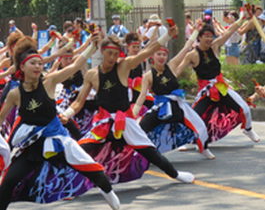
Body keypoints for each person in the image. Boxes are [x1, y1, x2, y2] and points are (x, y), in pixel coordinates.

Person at [61, 26, 195, 187]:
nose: (112, 57)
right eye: (109, 53)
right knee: (79, 150)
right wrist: (67, 114)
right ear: (102, 52)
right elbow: (78, 102)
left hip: (125, 121)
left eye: (116, 54)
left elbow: (146, 52)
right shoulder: (92, 75)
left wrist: (166, 36)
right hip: (103, 123)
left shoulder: (123, 66)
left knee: (150, 152)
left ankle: (176, 174)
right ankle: (65, 185)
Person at [0, 36, 120, 210]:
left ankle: (114, 203)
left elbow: (75, 66)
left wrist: (91, 48)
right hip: (33, 146)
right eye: (33, 63)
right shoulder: (15, 94)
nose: (38, 67)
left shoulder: (49, 81)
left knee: (96, 172)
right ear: (22, 67)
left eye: (40, 63)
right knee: (9, 181)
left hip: (58, 139)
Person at [175, 13, 260, 148]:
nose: (209, 38)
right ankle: (186, 140)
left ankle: (248, 129)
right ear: (200, 37)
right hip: (206, 91)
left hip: (221, 86)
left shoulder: (215, 46)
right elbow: (178, 70)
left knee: (244, 108)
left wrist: (241, 18)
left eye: (211, 36)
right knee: (194, 117)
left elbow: (230, 31)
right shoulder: (192, 55)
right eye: (206, 36)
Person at [133, 29, 213, 159]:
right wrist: (134, 114)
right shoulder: (148, 76)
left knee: (199, 125)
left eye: (164, 55)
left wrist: (196, 31)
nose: (161, 57)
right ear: (152, 57)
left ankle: (203, 148)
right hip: (160, 107)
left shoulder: (171, 66)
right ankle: (138, 155)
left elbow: (186, 48)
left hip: (177, 105)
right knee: (140, 128)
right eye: (158, 54)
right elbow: (142, 96)